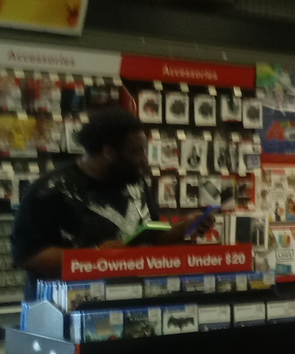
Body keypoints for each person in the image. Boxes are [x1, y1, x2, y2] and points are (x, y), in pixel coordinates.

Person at [11, 108, 213, 300]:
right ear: (109, 151)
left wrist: (185, 227)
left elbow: (150, 236)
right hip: (70, 306)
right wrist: (96, 256)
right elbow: (29, 257)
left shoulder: (134, 183)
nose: (144, 159)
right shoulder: (50, 191)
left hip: (130, 301)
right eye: (135, 152)